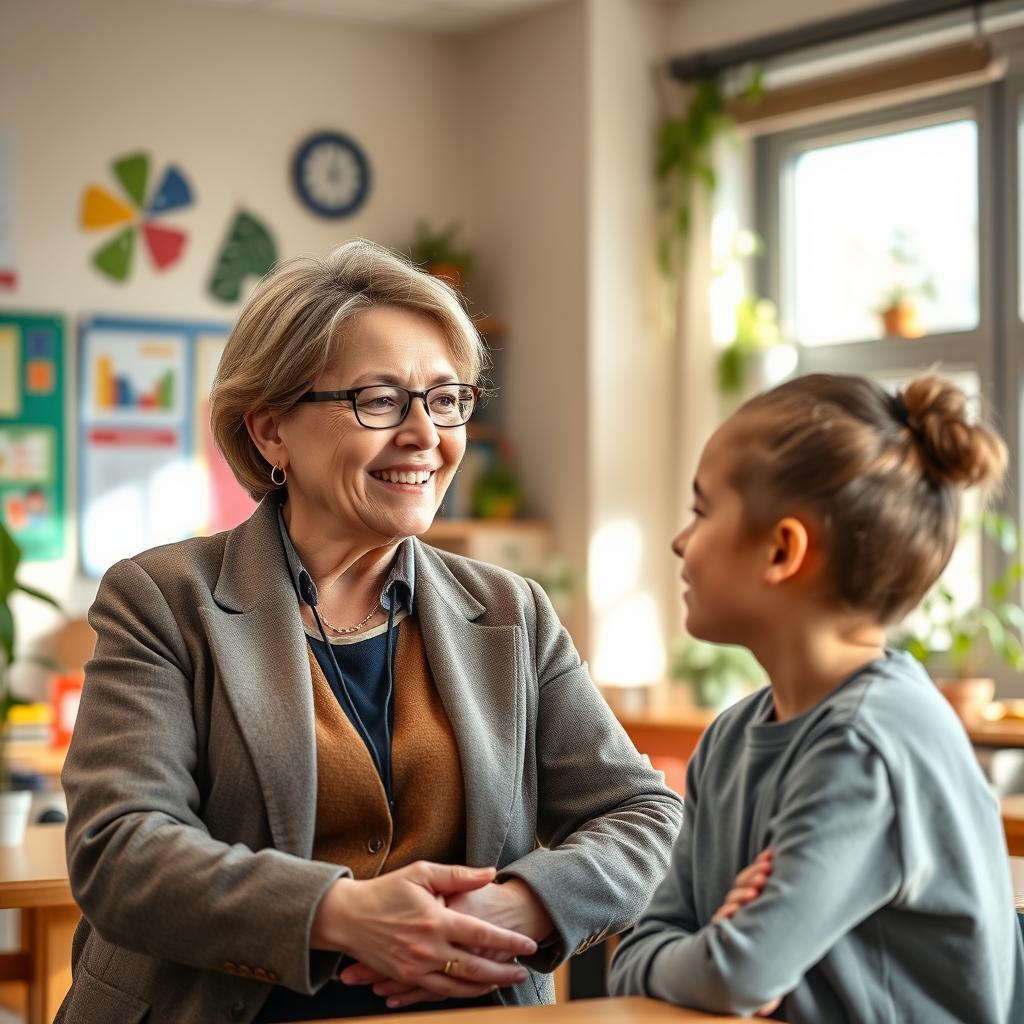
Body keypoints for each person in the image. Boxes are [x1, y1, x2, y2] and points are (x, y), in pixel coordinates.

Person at [57, 240, 683, 1023]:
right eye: (380, 400)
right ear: (270, 432)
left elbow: (645, 814)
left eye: (446, 398)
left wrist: (522, 906)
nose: (426, 434)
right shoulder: (161, 598)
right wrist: (341, 916)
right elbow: (120, 850)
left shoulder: (512, 611)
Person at [610, 372, 1024, 1023]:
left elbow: (735, 977)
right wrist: (709, 957)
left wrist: (715, 959)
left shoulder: (866, 744)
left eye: (701, 510)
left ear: (782, 549)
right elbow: (634, 956)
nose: (679, 541)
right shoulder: (727, 739)